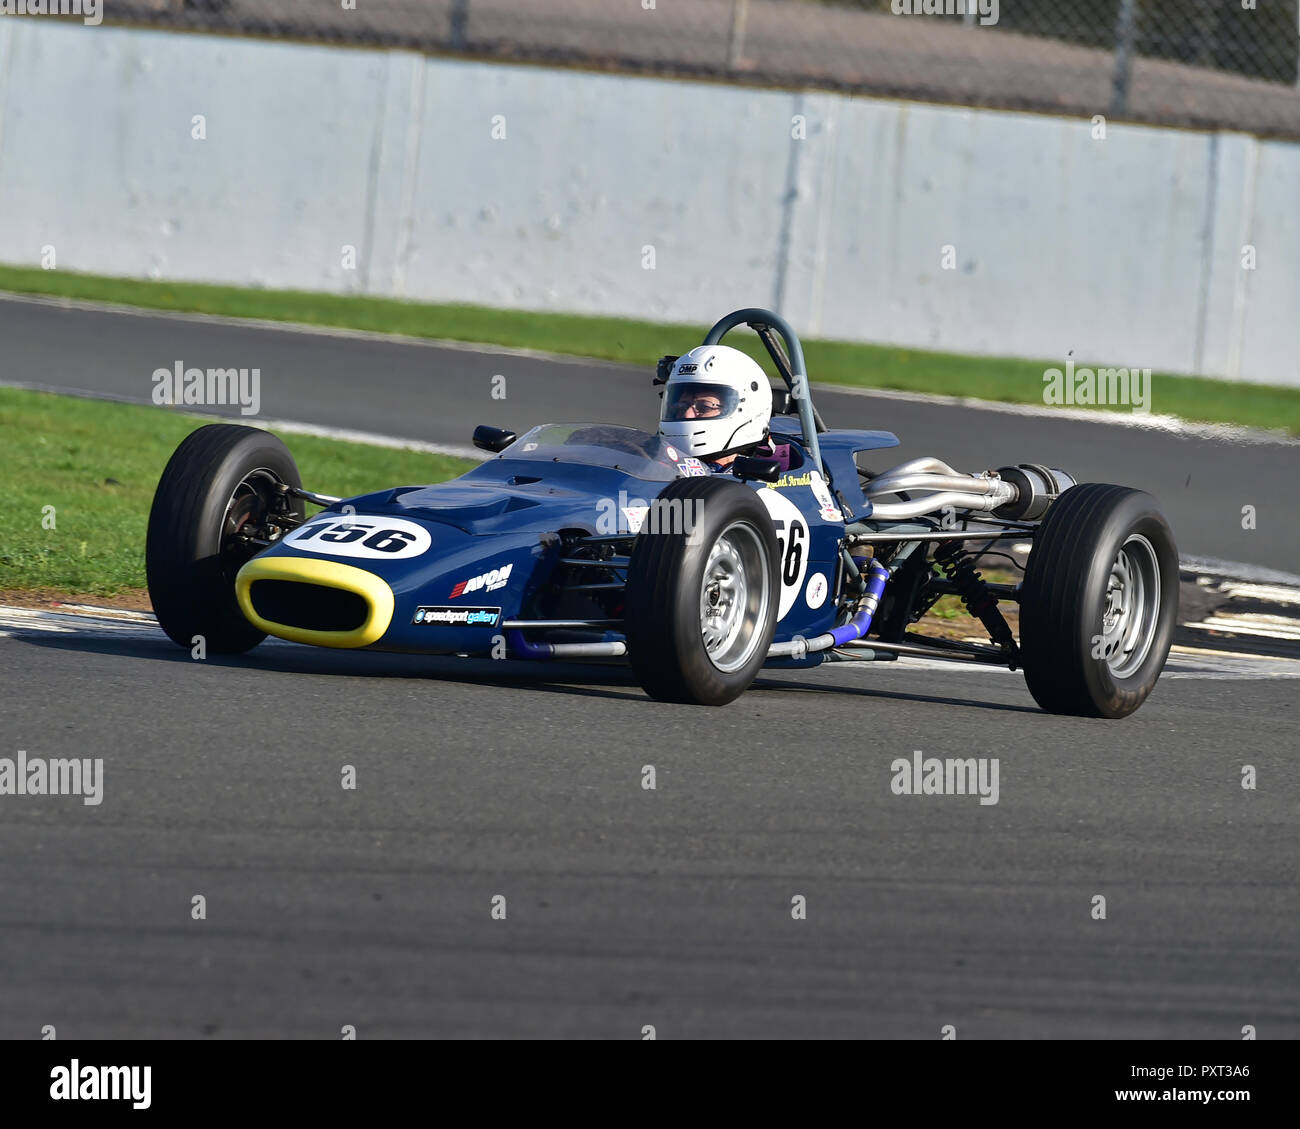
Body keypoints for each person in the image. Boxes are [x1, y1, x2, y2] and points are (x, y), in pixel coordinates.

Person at [656, 345, 793, 473]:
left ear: (746, 409)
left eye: (704, 407)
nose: (687, 414)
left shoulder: (758, 479)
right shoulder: (657, 464)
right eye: (681, 406)